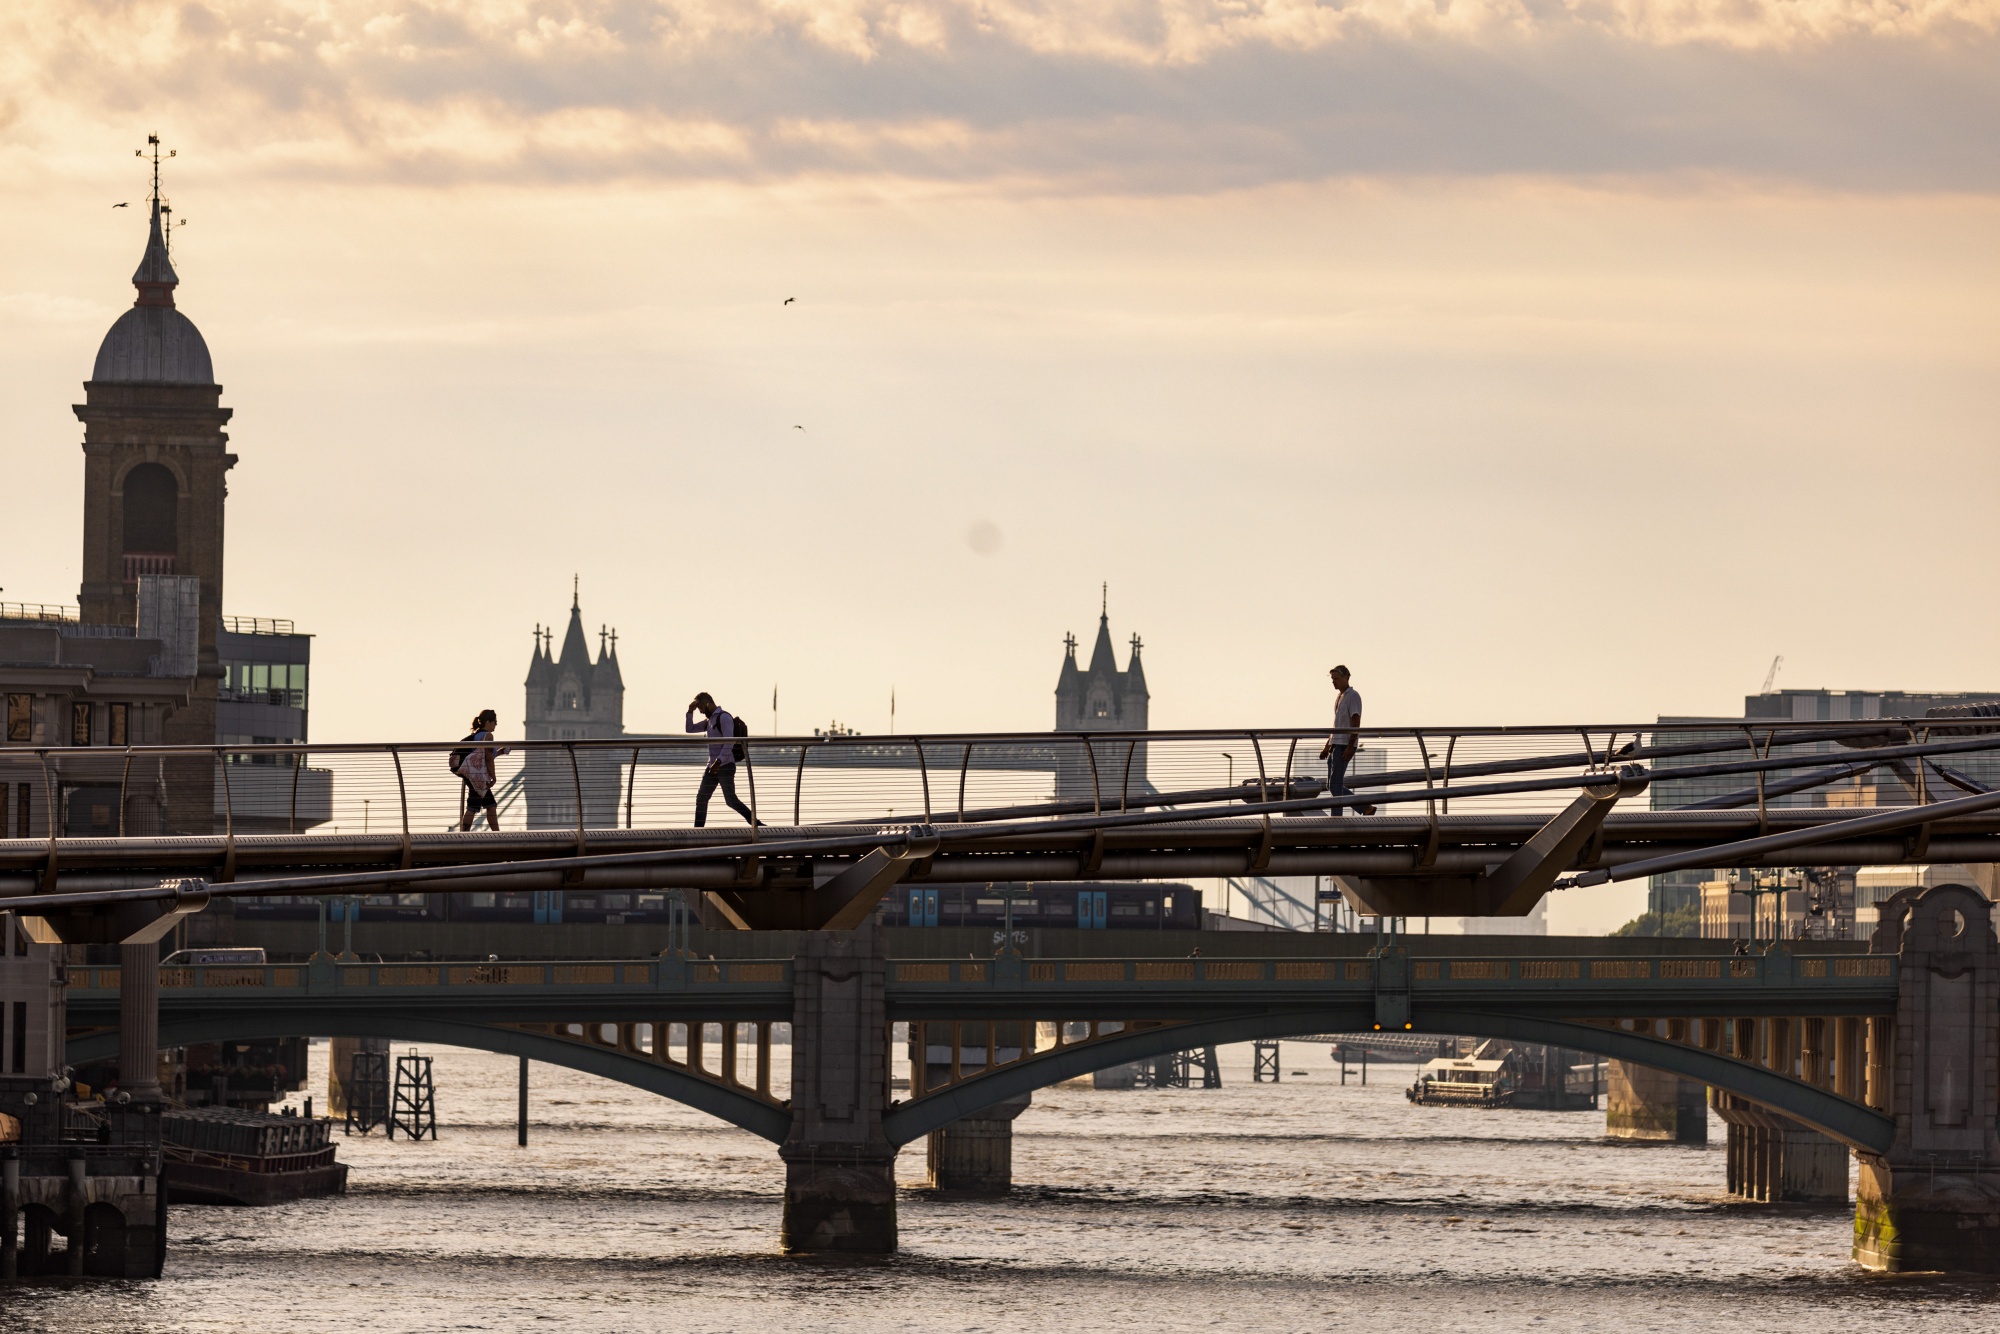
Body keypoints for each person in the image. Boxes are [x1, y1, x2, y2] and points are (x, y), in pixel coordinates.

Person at [686, 692, 762, 827]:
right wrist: (689, 712)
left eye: (701, 708)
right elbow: (689, 729)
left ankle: (757, 825)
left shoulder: (724, 718)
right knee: (702, 798)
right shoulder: (709, 721)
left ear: (707, 703)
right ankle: (697, 832)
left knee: (731, 800)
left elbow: (729, 743)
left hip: (725, 765)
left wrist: (719, 761)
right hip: (712, 767)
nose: (701, 712)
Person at [1318, 665, 1375, 816]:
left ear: (1346, 678)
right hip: (1335, 744)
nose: (1334, 682)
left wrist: (1351, 746)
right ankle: (1364, 808)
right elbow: (1336, 725)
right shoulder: (1340, 697)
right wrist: (1327, 746)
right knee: (1331, 785)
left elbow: (1356, 721)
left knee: (1335, 784)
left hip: (1344, 745)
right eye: (1332, 679)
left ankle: (1337, 818)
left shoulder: (1353, 696)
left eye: (1336, 679)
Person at [453, 708, 507, 831]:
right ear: (488, 722)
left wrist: (501, 752)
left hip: (472, 775)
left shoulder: (476, 736)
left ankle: (496, 835)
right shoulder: (488, 736)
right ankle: (464, 836)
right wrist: (494, 777)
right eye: (495, 722)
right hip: (478, 777)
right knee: (473, 806)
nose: (496, 725)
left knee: (490, 805)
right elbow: (488, 759)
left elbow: (482, 757)